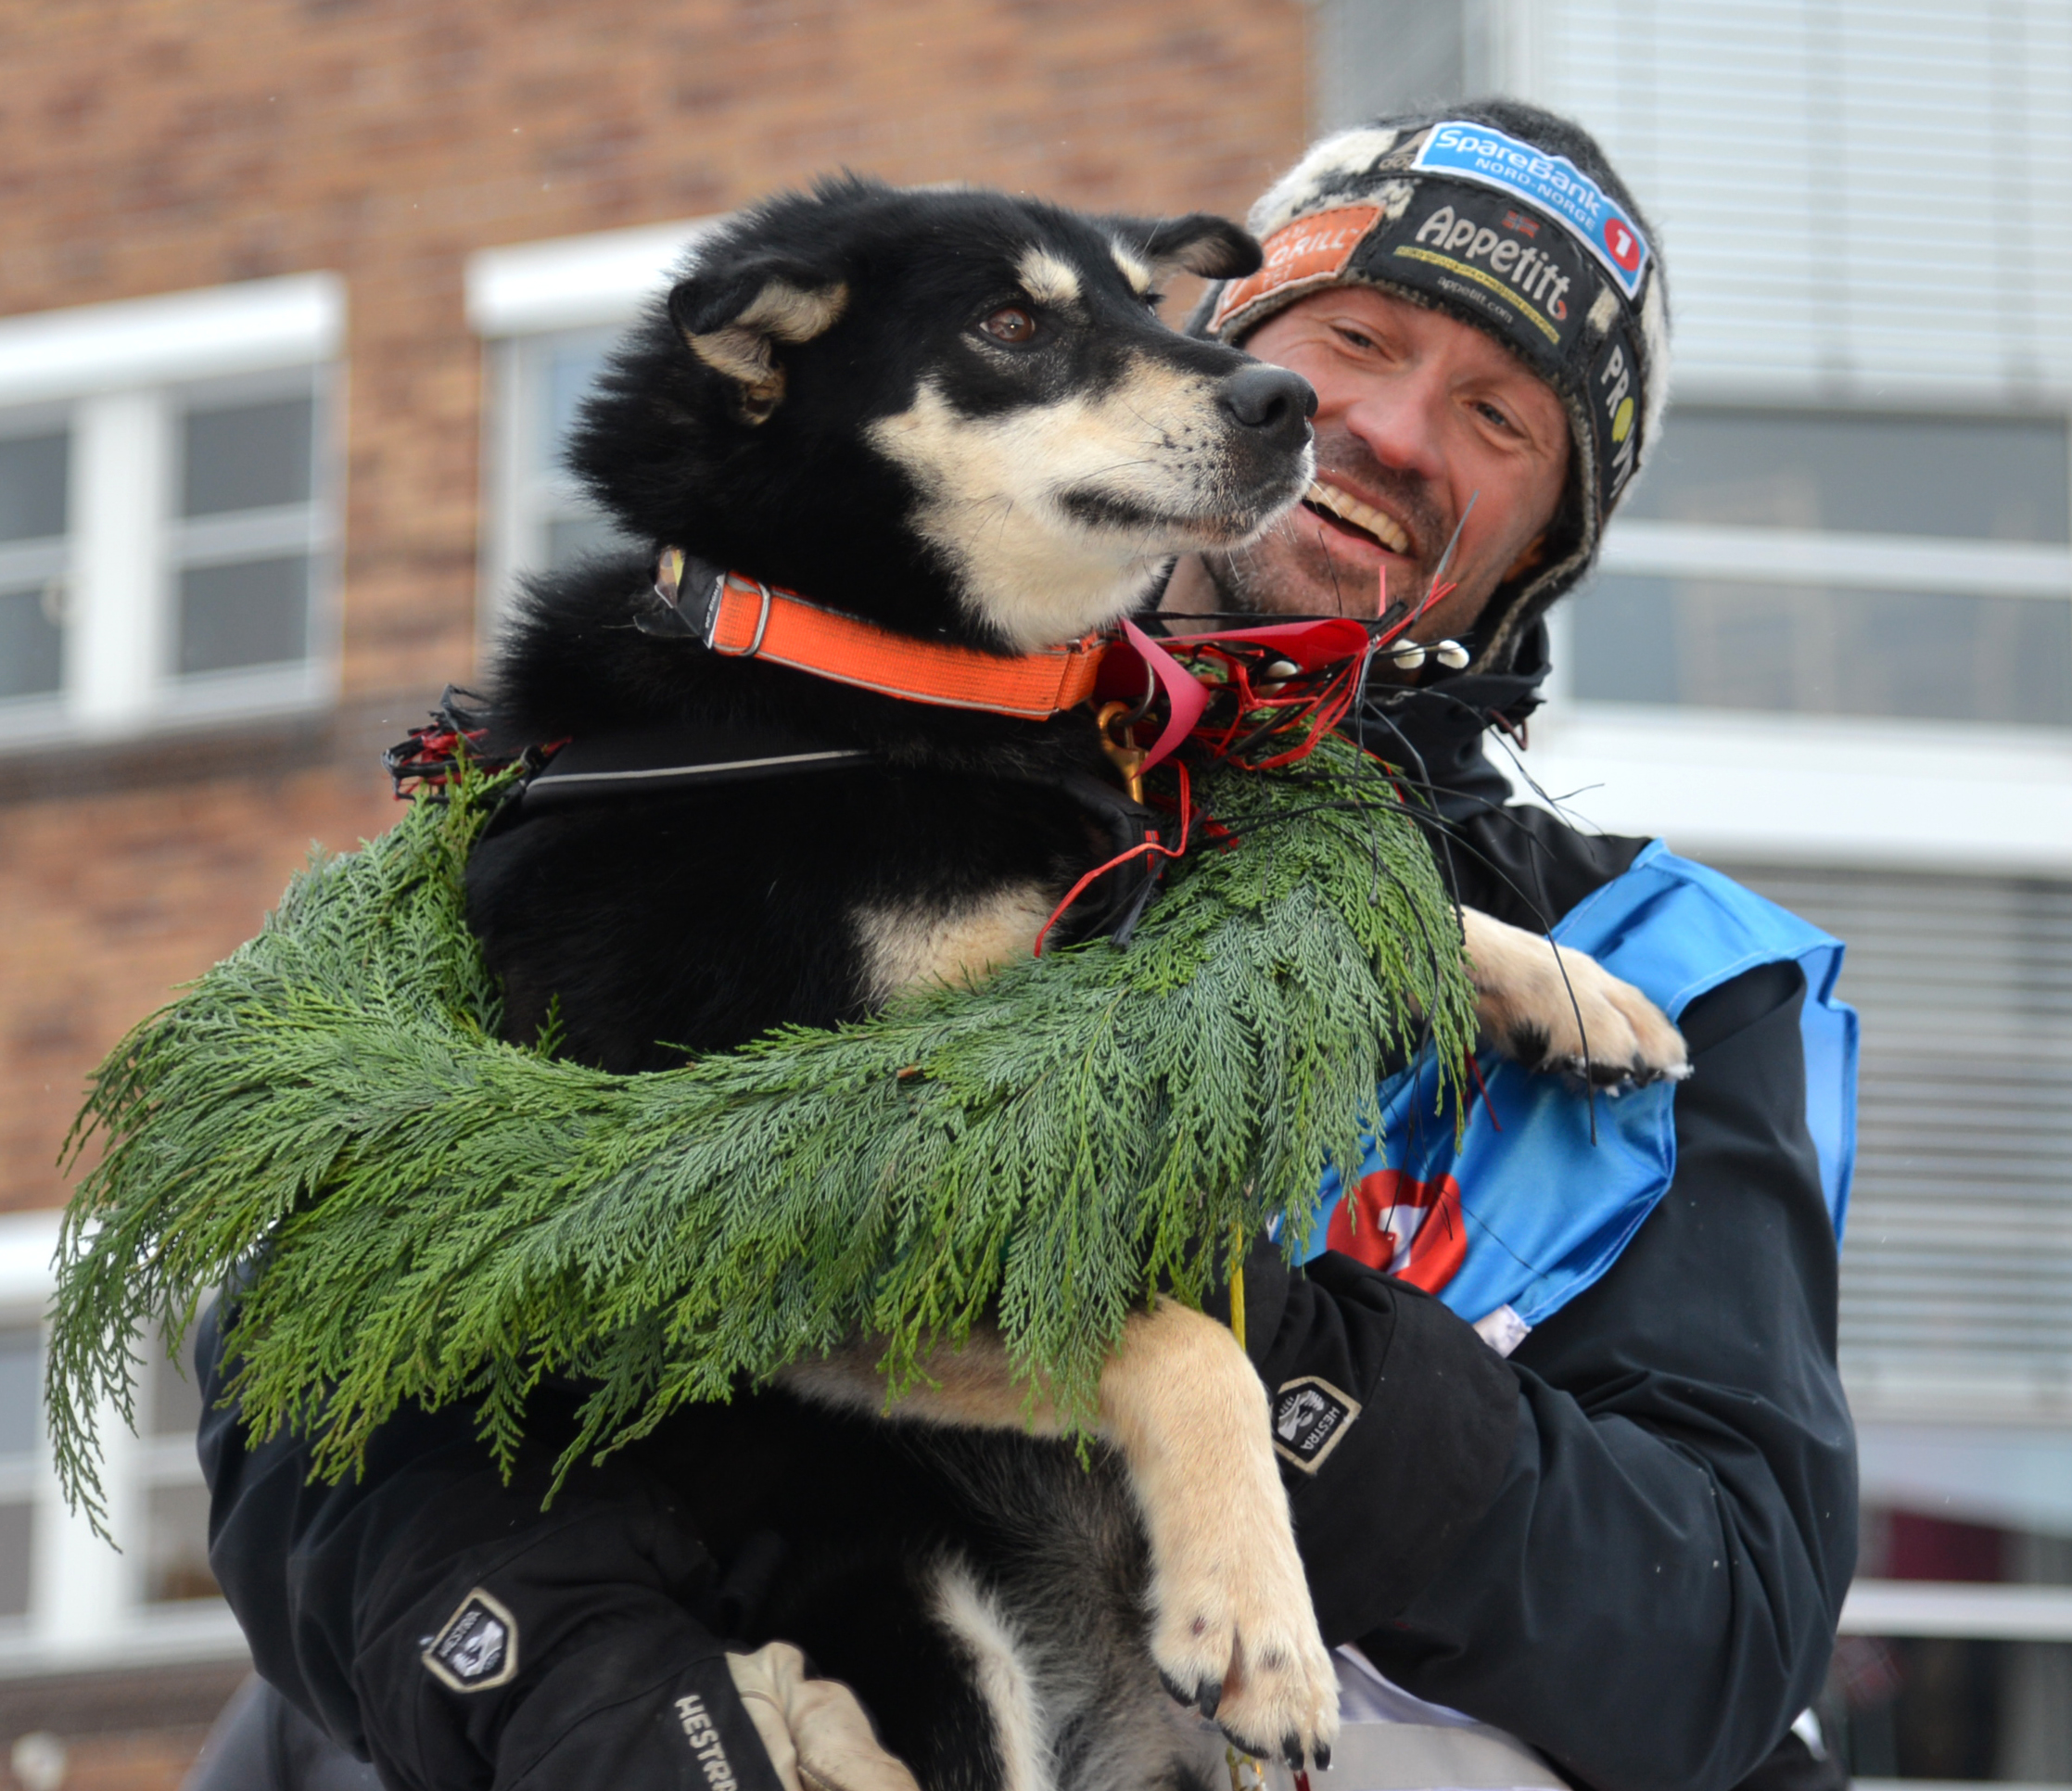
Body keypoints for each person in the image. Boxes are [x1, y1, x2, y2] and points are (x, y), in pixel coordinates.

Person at [191, 99, 1856, 1791]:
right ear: (1219, 349)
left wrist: (1259, 1348)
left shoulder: (1670, 969)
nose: (1392, 426)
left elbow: (1714, 1639)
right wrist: (621, 1715)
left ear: (1549, 542)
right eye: (1353, 337)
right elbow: (327, 1391)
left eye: (1500, 416)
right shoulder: (628, 777)